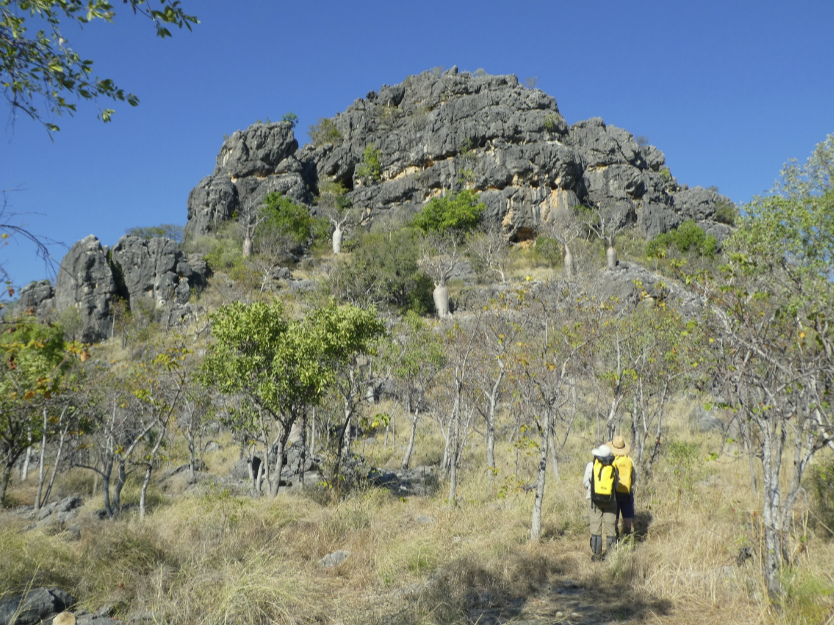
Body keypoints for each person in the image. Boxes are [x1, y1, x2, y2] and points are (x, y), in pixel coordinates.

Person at [584, 444, 618, 561]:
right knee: (610, 530)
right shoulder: (614, 467)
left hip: (593, 501)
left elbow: (585, 483)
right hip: (610, 500)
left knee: (595, 529)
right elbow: (616, 485)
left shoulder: (591, 465)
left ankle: (597, 556)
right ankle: (611, 557)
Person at [607, 435, 635, 537]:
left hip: (614, 492)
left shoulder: (610, 461)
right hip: (627, 492)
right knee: (627, 515)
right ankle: (628, 536)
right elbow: (633, 479)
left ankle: (615, 537)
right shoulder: (630, 461)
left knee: (615, 516)